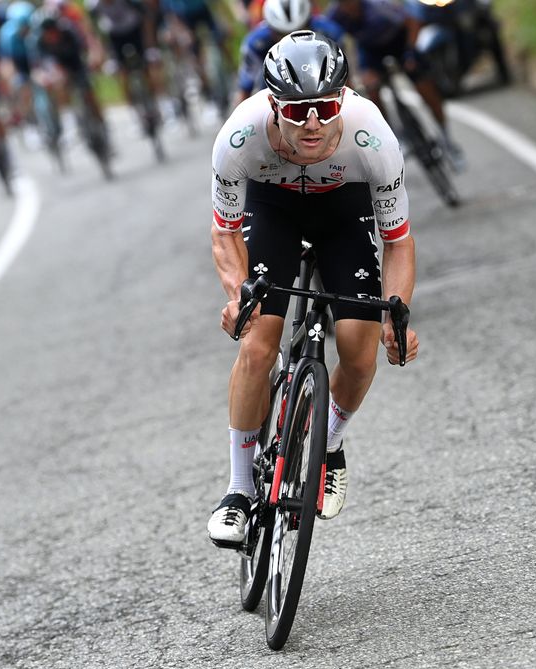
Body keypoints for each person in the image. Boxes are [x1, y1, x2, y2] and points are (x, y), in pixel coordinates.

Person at [206, 31, 420, 546]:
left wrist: (397, 314)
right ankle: (237, 490)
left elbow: (399, 242)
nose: (313, 122)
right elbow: (225, 233)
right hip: (272, 208)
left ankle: (328, 445)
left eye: (325, 107)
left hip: (343, 213)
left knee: (360, 351)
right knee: (259, 344)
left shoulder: (372, 137)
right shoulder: (239, 137)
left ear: (343, 98)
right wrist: (239, 296)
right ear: (272, 105)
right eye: (297, 110)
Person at [325, 0, 463, 168]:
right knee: (371, 89)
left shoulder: (377, 6)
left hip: (401, 41)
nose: (348, 7)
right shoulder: (334, 16)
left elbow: (412, 20)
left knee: (424, 86)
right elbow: (339, 47)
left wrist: (411, 52)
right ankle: (394, 136)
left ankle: (446, 137)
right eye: (343, 4)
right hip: (371, 51)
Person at [233, 0, 343, 103]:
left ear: (309, 22)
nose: (292, 44)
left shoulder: (330, 32)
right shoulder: (256, 43)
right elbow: (245, 89)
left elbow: (345, 79)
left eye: (300, 32)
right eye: (282, 34)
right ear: (271, 30)